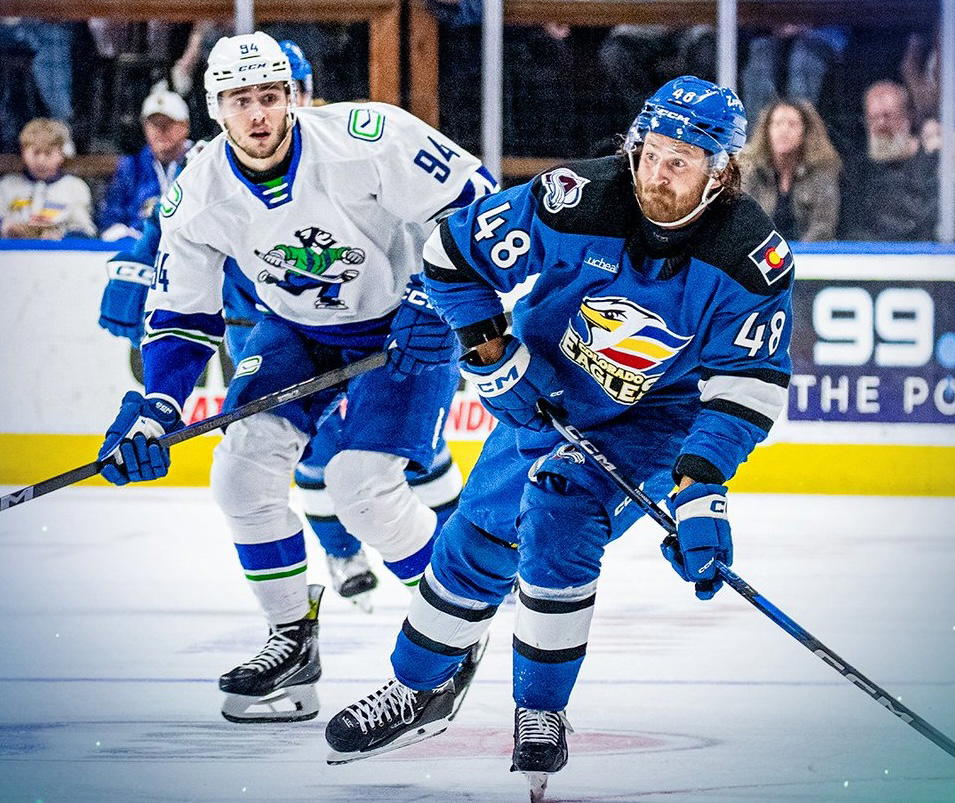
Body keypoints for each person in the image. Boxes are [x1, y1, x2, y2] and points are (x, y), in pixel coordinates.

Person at [324, 76, 794, 797]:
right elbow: (451, 254)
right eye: (650, 153)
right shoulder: (575, 199)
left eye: (679, 161)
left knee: (558, 514)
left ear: (720, 171)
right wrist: (491, 355)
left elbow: (748, 383)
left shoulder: (750, 255)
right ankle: (418, 687)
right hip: (545, 397)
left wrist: (700, 484)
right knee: (478, 538)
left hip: (651, 422)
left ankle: (540, 710)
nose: (657, 174)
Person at [95, 31, 496, 724]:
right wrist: (157, 405)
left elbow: (477, 201)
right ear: (215, 108)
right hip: (297, 328)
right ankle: (292, 639)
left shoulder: (368, 136)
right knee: (239, 473)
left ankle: (454, 628)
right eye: (240, 100)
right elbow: (183, 316)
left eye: (270, 96)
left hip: (405, 322)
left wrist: (438, 295)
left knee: (360, 486)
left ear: (292, 96)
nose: (258, 114)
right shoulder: (197, 192)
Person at [842, 80, 938, 240]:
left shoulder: (934, 165)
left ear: (908, 117)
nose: (881, 124)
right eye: (873, 118)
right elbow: (852, 228)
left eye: (888, 116)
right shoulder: (858, 171)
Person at [740, 98, 841, 241]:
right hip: (760, 251)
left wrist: (799, 252)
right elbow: (744, 222)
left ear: (805, 132)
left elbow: (823, 227)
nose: (784, 131)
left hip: (810, 253)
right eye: (777, 124)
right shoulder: (751, 171)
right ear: (767, 131)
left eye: (792, 124)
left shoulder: (821, 173)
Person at [98, 87, 192, 238]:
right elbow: (110, 216)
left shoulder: (200, 161)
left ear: (185, 126)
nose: (160, 131)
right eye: (154, 125)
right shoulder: (131, 167)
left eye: (167, 124)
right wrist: (120, 232)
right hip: (139, 243)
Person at [0, 117, 95, 239]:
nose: (41, 161)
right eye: (35, 153)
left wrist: (61, 235)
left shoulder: (75, 187)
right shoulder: (7, 185)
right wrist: (8, 229)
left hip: (58, 249)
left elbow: (85, 230)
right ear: (23, 152)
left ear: (61, 154)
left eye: (48, 153)